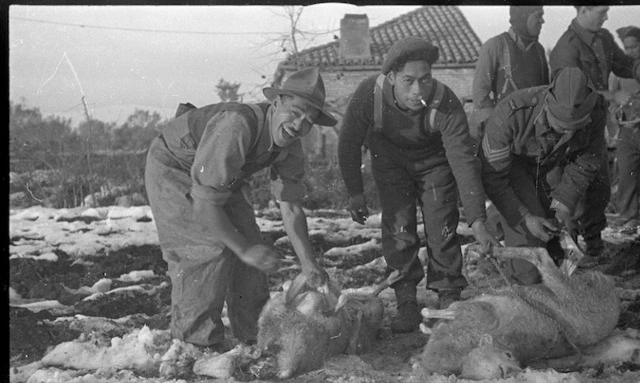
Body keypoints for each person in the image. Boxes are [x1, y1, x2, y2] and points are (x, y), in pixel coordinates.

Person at [144, 67, 337, 349]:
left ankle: (256, 337)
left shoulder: (290, 145)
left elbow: (291, 207)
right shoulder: (236, 126)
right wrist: (243, 250)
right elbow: (205, 205)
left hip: (220, 177)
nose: (299, 125)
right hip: (175, 167)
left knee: (250, 245)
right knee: (206, 249)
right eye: (296, 112)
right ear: (277, 102)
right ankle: (194, 346)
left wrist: (308, 263)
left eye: (308, 121)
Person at [337, 37, 499, 333]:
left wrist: (477, 220)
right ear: (391, 78)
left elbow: (462, 161)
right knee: (398, 227)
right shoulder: (368, 96)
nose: (418, 90)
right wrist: (355, 194)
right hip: (389, 162)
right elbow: (348, 145)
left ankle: (448, 298)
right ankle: (406, 302)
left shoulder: (445, 102)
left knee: (442, 226)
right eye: (409, 81)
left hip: (434, 165)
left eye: (425, 80)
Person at [479, 67, 608, 285]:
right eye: (560, 126)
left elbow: (585, 163)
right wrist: (524, 217)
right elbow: (495, 179)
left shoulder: (596, 110)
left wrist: (563, 205)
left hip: (553, 165)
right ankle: (496, 247)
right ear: (547, 104)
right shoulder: (510, 114)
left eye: (574, 129)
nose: (567, 134)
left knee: (560, 240)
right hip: (514, 169)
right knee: (528, 270)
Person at [547, 6, 640, 257]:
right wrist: (611, 95)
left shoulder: (603, 37)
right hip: (573, 125)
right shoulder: (566, 49)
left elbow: (626, 65)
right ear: (584, 10)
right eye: (602, 11)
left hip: (596, 121)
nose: (606, 16)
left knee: (600, 185)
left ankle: (594, 242)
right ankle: (569, 247)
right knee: (573, 185)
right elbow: (568, 96)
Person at [472, 6, 548, 138]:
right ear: (522, 17)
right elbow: (480, 93)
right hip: (506, 132)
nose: (542, 21)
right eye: (538, 15)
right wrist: (496, 127)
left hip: (534, 132)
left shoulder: (539, 50)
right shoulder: (495, 45)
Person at [610, 26, 640, 231]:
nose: (630, 51)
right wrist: (616, 112)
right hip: (628, 131)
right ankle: (628, 215)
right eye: (626, 47)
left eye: (634, 47)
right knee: (626, 173)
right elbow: (614, 99)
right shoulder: (621, 71)